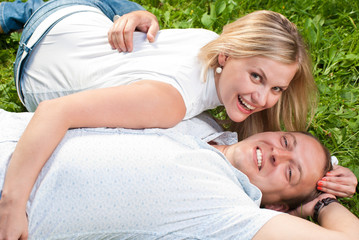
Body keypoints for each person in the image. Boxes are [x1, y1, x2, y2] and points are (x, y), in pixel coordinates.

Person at [0, 109, 358, 239]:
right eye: (286, 140)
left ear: (278, 208)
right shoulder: (199, 121)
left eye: (291, 172)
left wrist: (320, 201)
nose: (277, 153)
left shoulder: (230, 214)